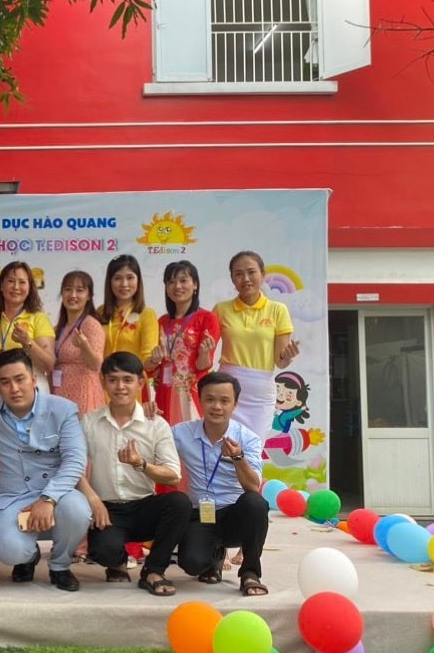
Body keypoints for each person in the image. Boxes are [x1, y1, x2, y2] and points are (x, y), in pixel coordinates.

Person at [0, 349, 89, 591]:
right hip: (13, 495)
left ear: (34, 379)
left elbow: (75, 460)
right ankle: (28, 556)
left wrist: (48, 498)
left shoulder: (63, 410)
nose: (14, 389)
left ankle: (60, 566)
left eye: (20, 379)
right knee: (8, 550)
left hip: (57, 492)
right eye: (5, 382)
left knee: (78, 510)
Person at [78, 353, 191, 594]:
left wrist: (141, 465)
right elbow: (73, 467)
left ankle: (154, 570)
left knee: (179, 503)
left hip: (144, 506)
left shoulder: (156, 424)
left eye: (127, 380)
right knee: (102, 552)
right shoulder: (89, 422)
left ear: (140, 383)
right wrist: (94, 500)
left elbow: (174, 475)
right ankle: (117, 562)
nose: (120, 386)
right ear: (103, 382)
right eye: (113, 380)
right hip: (107, 510)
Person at [171, 371, 269, 597]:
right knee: (192, 563)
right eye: (210, 399)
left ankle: (250, 573)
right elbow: (155, 441)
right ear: (200, 400)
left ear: (235, 404)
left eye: (224, 401)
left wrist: (238, 458)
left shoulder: (248, 438)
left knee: (255, 503)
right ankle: (213, 559)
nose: (217, 407)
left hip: (235, 517)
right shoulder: (181, 433)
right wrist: (150, 419)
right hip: (202, 515)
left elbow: (252, 486)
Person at [212, 251, 300, 441]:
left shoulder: (278, 310)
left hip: (260, 395)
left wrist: (287, 356)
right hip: (227, 390)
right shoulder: (221, 310)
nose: (246, 279)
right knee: (225, 447)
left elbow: (280, 362)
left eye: (251, 272)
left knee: (252, 449)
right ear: (232, 279)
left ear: (263, 274)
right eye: (238, 274)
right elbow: (207, 349)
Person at [153, 261, 220, 426]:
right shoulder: (162, 321)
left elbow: (203, 366)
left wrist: (204, 354)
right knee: (165, 437)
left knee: (191, 436)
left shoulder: (207, 318)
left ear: (195, 284)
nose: (177, 286)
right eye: (171, 282)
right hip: (164, 391)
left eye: (183, 280)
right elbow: (153, 367)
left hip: (191, 392)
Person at [99, 255, 160, 402]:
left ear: (138, 280)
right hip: (104, 385)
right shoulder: (99, 313)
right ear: (109, 281)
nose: (124, 284)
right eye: (117, 278)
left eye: (130, 277)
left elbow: (147, 360)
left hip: (132, 387)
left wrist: (155, 360)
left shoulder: (147, 314)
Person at [0, 261, 55, 392]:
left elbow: (49, 365)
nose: (16, 287)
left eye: (22, 282)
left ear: (30, 288)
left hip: (32, 392)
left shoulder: (39, 318)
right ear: (1, 286)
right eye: (11, 281)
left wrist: (27, 342)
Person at [51, 270, 105, 416]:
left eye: (79, 290)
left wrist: (85, 346)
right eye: (68, 289)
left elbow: (96, 364)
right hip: (60, 393)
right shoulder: (59, 328)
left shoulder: (91, 324)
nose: (73, 295)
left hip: (83, 394)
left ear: (89, 296)